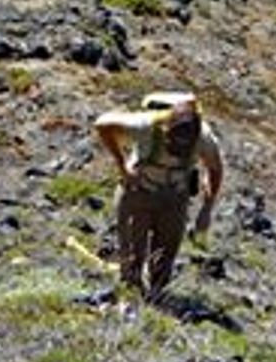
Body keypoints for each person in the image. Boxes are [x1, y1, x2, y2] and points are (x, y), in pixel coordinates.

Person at [93, 88, 224, 303]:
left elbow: (215, 169)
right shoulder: (146, 125)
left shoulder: (203, 136)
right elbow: (103, 123)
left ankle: (157, 301)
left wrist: (206, 209)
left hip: (175, 198)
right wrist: (122, 167)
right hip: (139, 193)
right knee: (132, 255)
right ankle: (131, 301)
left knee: (165, 256)